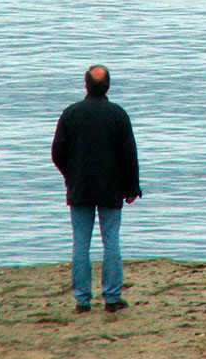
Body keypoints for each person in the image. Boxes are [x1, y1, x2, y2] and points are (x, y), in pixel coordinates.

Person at [52, 65, 141, 314]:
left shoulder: (71, 114)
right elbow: (128, 155)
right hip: (111, 187)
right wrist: (132, 186)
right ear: (108, 86)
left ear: (86, 85)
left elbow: (57, 152)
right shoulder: (117, 115)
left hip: (80, 186)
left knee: (81, 243)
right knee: (111, 240)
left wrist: (71, 174)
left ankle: (82, 300)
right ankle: (112, 297)